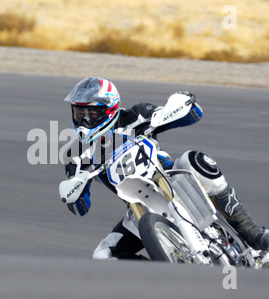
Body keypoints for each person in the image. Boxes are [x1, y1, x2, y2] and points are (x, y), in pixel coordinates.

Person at [61, 77, 269, 260]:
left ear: (110, 109)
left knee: (195, 160)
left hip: (173, 179)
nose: (85, 121)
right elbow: (81, 209)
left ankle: (254, 234)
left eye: (92, 114)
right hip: (139, 207)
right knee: (103, 254)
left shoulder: (137, 115)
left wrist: (184, 104)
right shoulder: (77, 156)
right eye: (80, 114)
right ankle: (161, 274)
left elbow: (193, 115)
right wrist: (73, 193)